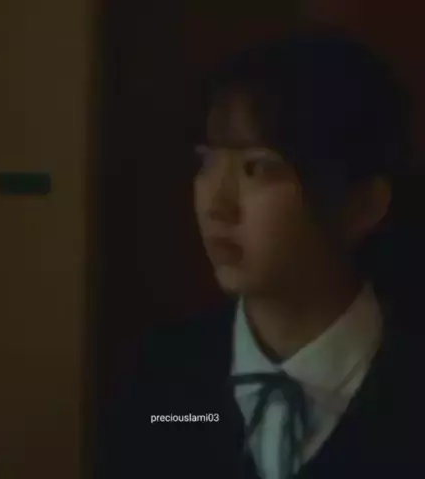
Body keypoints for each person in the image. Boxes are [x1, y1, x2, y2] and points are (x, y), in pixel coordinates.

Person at [100, 28, 424, 479]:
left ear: (362, 205)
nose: (216, 204)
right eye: (207, 162)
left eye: (258, 168)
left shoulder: (410, 391)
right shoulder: (165, 382)